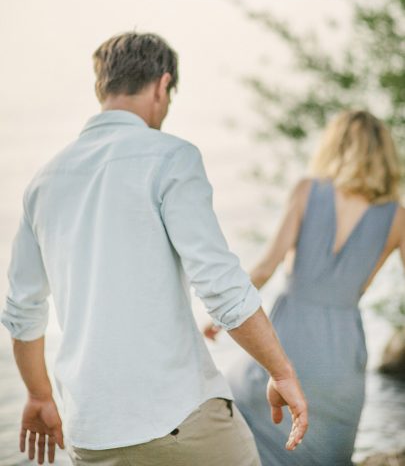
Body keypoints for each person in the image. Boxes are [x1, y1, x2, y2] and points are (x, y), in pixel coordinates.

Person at [1, 31, 307, 466]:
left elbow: (23, 310)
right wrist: (282, 371)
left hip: (93, 431)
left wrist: (37, 394)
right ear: (163, 86)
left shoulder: (44, 182)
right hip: (182, 417)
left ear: (101, 88)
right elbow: (219, 286)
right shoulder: (171, 158)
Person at [205, 109, 405, 466]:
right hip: (341, 357)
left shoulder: (307, 190)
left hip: (286, 343)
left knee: (230, 406)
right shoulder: (397, 216)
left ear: (335, 146)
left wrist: (220, 315)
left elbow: (265, 267)